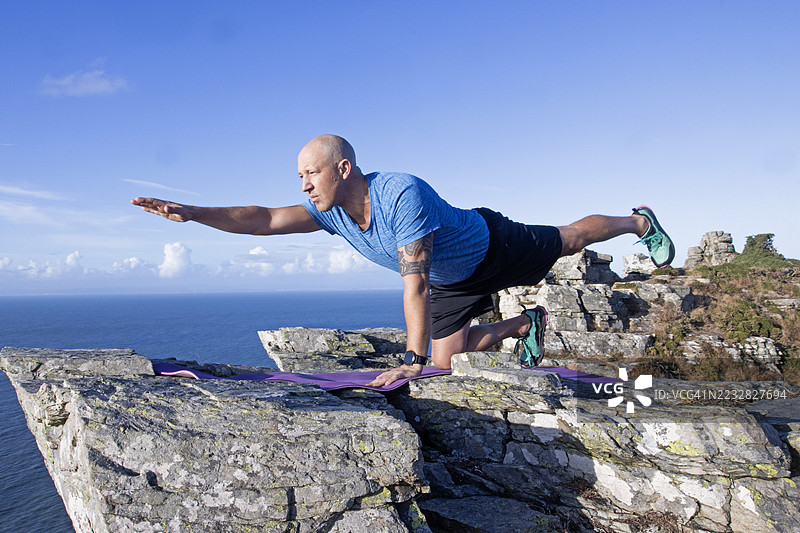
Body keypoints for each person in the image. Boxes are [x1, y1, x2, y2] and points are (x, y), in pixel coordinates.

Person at [132, 134, 674, 387]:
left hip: (491, 247)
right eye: (299, 177)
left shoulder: (400, 195)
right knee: (445, 369)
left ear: (343, 169)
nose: (303, 185)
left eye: (310, 175)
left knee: (571, 237)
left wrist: (408, 358)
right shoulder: (330, 213)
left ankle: (638, 221)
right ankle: (524, 324)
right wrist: (193, 213)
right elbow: (263, 219)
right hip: (452, 283)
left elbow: (414, 285)